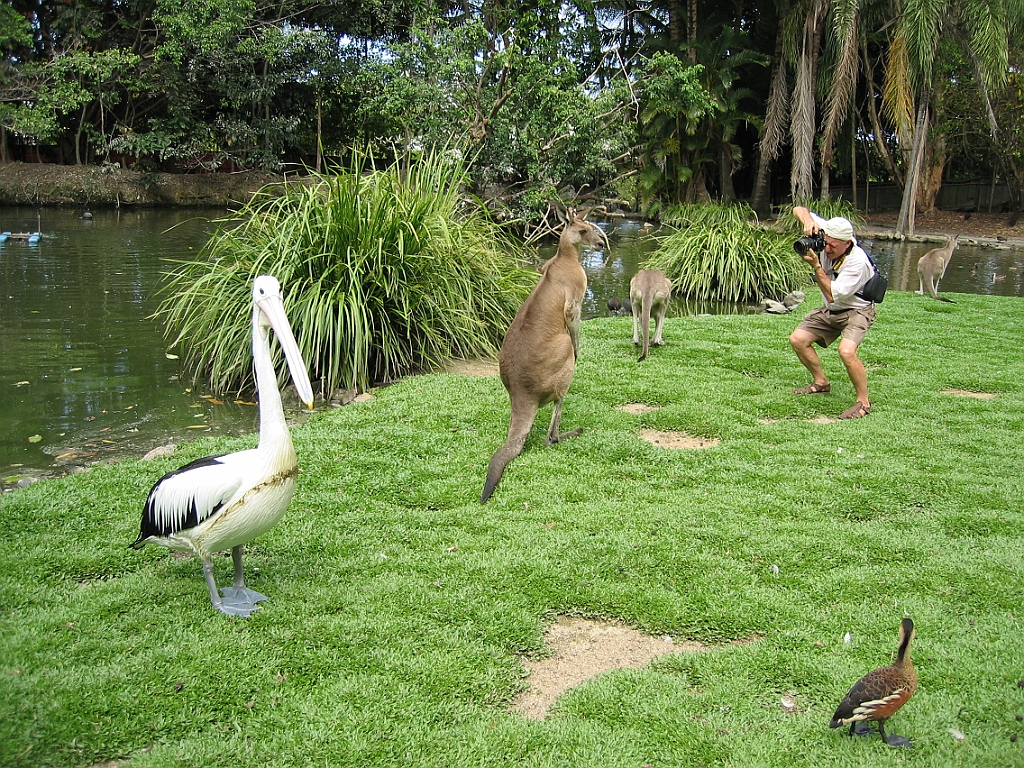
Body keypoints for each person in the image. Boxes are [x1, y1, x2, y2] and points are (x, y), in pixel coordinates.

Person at [788, 206, 877, 420]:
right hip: (832, 309)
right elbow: (798, 209)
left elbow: (832, 295)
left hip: (856, 309)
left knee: (846, 351)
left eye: (832, 247)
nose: (826, 249)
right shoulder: (830, 231)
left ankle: (863, 402)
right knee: (798, 339)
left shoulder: (858, 262)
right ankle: (821, 382)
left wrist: (817, 266)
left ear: (847, 243)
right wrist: (808, 221)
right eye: (825, 243)